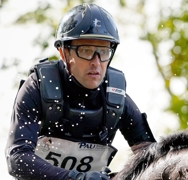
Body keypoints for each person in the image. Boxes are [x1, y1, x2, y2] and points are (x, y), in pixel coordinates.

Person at [5, 3, 156, 180]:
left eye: (103, 51)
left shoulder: (115, 95)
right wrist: (76, 178)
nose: (96, 62)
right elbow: (17, 159)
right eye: (86, 50)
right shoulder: (37, 87)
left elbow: (152, 158)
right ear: (63, 53)